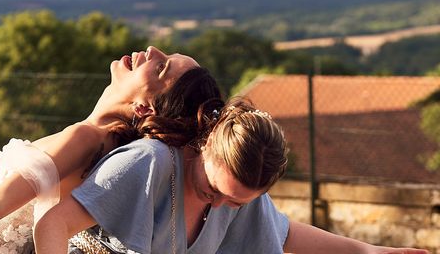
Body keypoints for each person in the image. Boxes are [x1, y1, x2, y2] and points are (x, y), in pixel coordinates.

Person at [34, 97, 430, 254]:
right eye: (211, 190)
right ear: (205, 144)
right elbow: (54, 223)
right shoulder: (148, 164)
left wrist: (368, 251)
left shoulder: (239, 199)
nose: (221, 206)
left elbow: (285, 233)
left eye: (237, 203)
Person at [0, 45, 218, 253]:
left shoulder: (86, 139)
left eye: (160, 66)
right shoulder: (110, 147)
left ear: (144, 108)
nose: (152, 49)